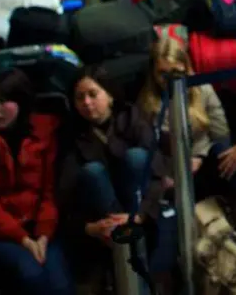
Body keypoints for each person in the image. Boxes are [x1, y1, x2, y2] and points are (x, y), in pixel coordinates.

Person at [0, 68, 74, 295]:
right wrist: (22, 239)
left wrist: (43, 235)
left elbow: (48, 193)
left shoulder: (44, 132)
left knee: (61, 285)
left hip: (40, 228)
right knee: (31, 274)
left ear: (20, 102)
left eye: (2, 101)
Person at [138, 37, 236, 254]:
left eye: (176, 72)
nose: (169, 80)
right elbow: (150, 148)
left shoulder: (201, 88)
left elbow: (220, 131)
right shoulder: (147, 103)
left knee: (226, 155)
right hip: (170, 172)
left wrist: (199, 156)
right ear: (153, 73)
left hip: (203, 164)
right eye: (162, 74)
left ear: (186, 67)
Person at [65, 66, 178, 293]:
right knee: (92, 172)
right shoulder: (72, 134)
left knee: (137, 157)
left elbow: (157, 170)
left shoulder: (132, 118)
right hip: (102, 219)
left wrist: (140, 214)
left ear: (109, 95)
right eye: (80, 98)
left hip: (140, 209)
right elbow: (66, 189)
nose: (87, 103)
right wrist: (88, 228)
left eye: (93, 94)